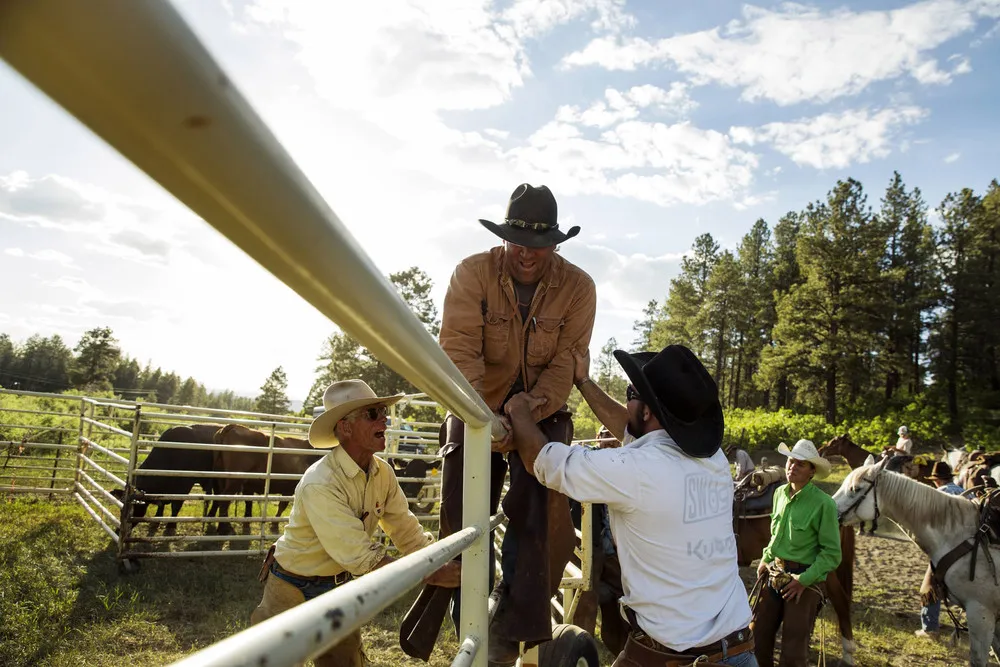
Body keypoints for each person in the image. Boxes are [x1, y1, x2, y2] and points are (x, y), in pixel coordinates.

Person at [399, 183, 597, 664]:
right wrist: (484, 418)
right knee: (460, 513)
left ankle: (510, 631)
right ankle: (459, 605)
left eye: (539, 243)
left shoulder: (579, 287)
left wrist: (525, 411)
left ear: (555, 243)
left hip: (541, 410)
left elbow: (565, 364)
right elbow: (458, 350)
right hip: (473, 404)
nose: (528, 253)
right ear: (504, 237)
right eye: (517, 240)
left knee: (540, 509)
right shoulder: (471, 274)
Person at [507, 344, 757, 667]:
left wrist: (517, 411)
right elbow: (632, 430)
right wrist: (584, 382)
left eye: (630, 393)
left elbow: (544, 461)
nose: (626, 402)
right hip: (737, 648)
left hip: (673, 655)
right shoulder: (714, 459)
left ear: (649, 412)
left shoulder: (639, 470)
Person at [251, 380, 461, 667]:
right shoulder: (320, 483)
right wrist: (429, 572)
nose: (385, 419)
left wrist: (432, 560)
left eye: (383, 411)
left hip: (337, 586)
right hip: (290, 587)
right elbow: (360, 555)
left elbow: (405, 529)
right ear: (345, 428)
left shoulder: (382, 473)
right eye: (373, 413)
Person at [753, 439, 841, 667]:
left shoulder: (824, 504)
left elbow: (832, 554)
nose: (792, 467)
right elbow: (776, 534)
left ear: (812, 471)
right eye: (791, 461)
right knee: (757, 634)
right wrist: (765, 557)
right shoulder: (779, 493)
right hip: (775, 572)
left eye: (801, 464)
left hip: (804, 579)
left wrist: (803, 580)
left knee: (793, 647)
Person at [916, 461, 965, 639]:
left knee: (930, 587)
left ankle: (929, 628)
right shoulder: (963, 491)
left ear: (936, 480)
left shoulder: (939, 494)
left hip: (944, 548)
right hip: (966, 547)